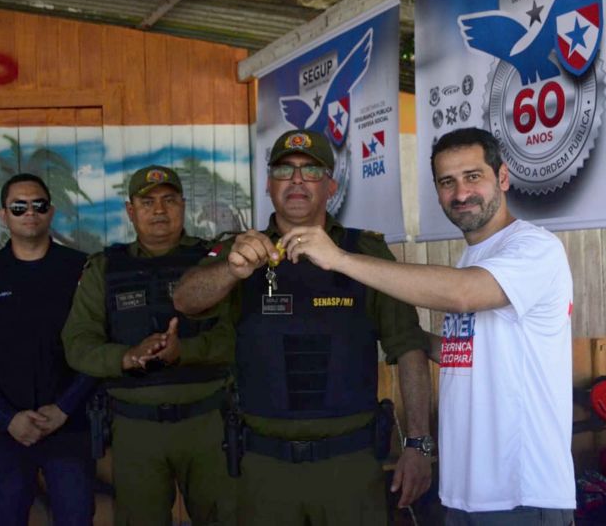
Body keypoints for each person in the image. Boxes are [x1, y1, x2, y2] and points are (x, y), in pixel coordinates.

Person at [273, 127, 576, 525]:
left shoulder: (534, 248)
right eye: (447, 182)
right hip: (466, 494)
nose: (461, 193)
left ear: (502, 178)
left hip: (520, 494)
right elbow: (467, 352)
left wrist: (341, 260)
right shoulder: (474, 257)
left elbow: (465, 294)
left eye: (473, 177)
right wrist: (395, 336)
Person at [173, 129, 433, 526]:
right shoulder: (243, 248)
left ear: (330, 185)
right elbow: (185, 299)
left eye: (310, 170)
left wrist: (417, 443)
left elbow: (409, 347)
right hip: (263, 467)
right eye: (284, 170)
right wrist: (231, 270)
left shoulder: (363, 252)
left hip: (348, 465)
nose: (296, 180)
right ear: (268, 183)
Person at [61, 165, 235, 526]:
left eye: (169, 200)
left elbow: (236, 338)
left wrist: (183, 351)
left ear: (184, 206)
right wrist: (125, 356)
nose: (159, 210)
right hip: (135, 427)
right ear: (130, 210)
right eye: (148, 201)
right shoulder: (105, 268)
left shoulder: (213, 262)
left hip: (207, 421)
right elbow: (77, 343)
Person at [0, 173, 96, 526]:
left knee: (76, 519)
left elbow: (98, 345)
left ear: (51, 211)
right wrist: (7, 418)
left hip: (69, 427)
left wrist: (63, 409)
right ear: (3, 216)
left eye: (38, 205)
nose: (29, 212)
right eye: (18, 206)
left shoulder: (83, 270)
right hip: (4, 432)